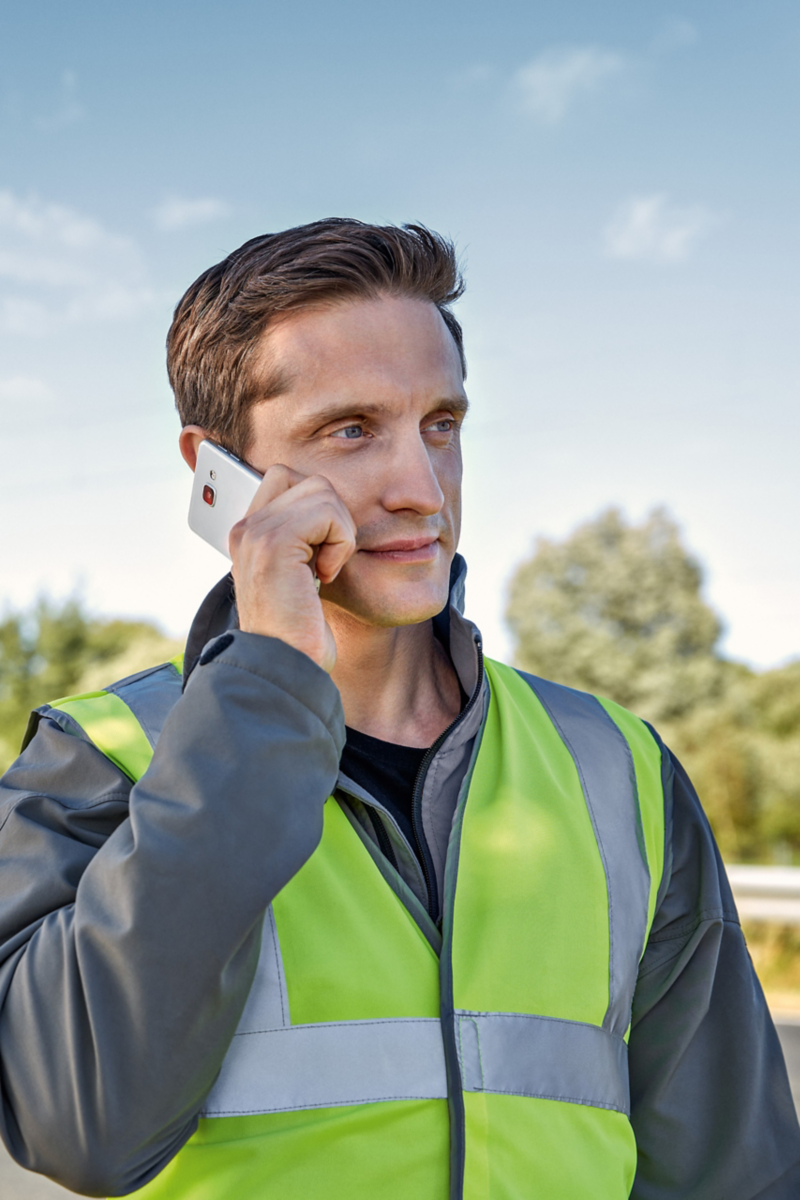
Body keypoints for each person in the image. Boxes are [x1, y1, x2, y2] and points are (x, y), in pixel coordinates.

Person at [0, 219, 798, 1200]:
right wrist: (265, 685)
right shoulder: (98, 761)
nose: (421, 490)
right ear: (215, 474)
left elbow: (732, 1174)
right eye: (351, 430)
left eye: (440, 426)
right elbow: (76, 1125)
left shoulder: (615, 766)